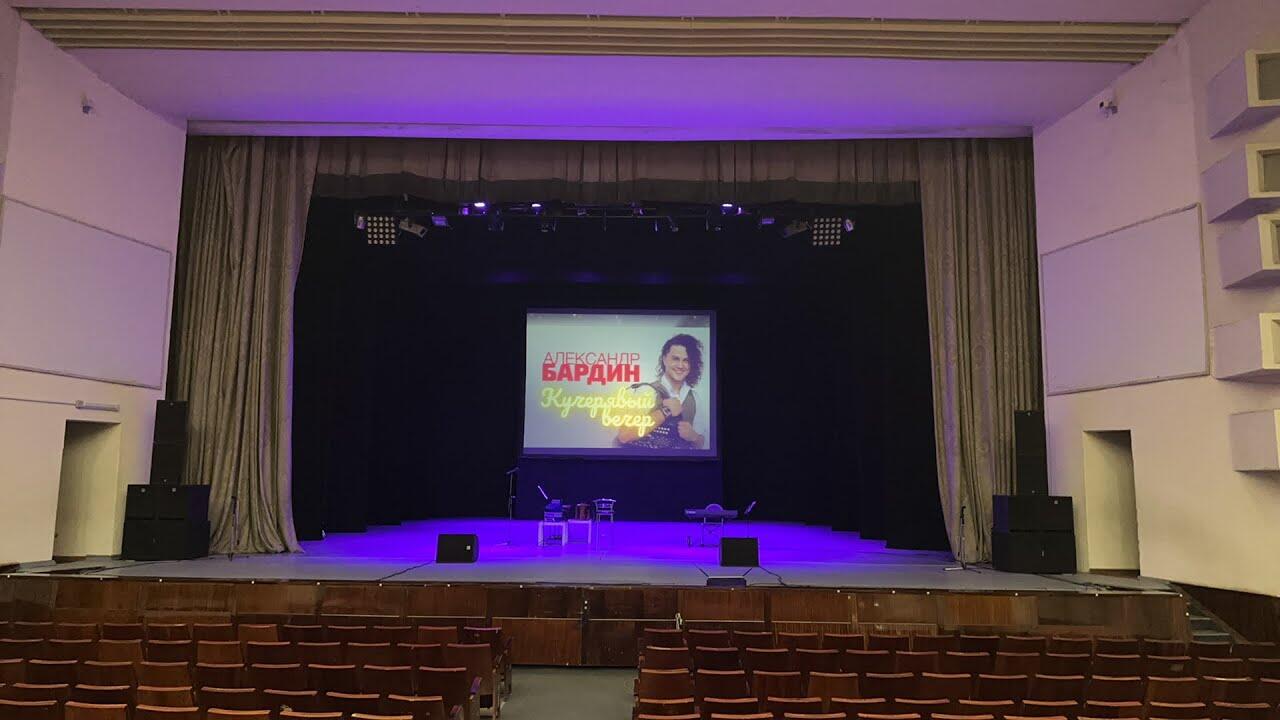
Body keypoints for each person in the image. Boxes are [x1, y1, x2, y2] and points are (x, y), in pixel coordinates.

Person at [617, 333, 708, 450]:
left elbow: (702, 445)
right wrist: (665, 411)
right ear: (664, 359)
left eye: (686, 360)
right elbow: (624, 436)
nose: (681, 365)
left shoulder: (695, 398)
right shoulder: (645, 391)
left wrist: (694, 437)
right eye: (675, 359)